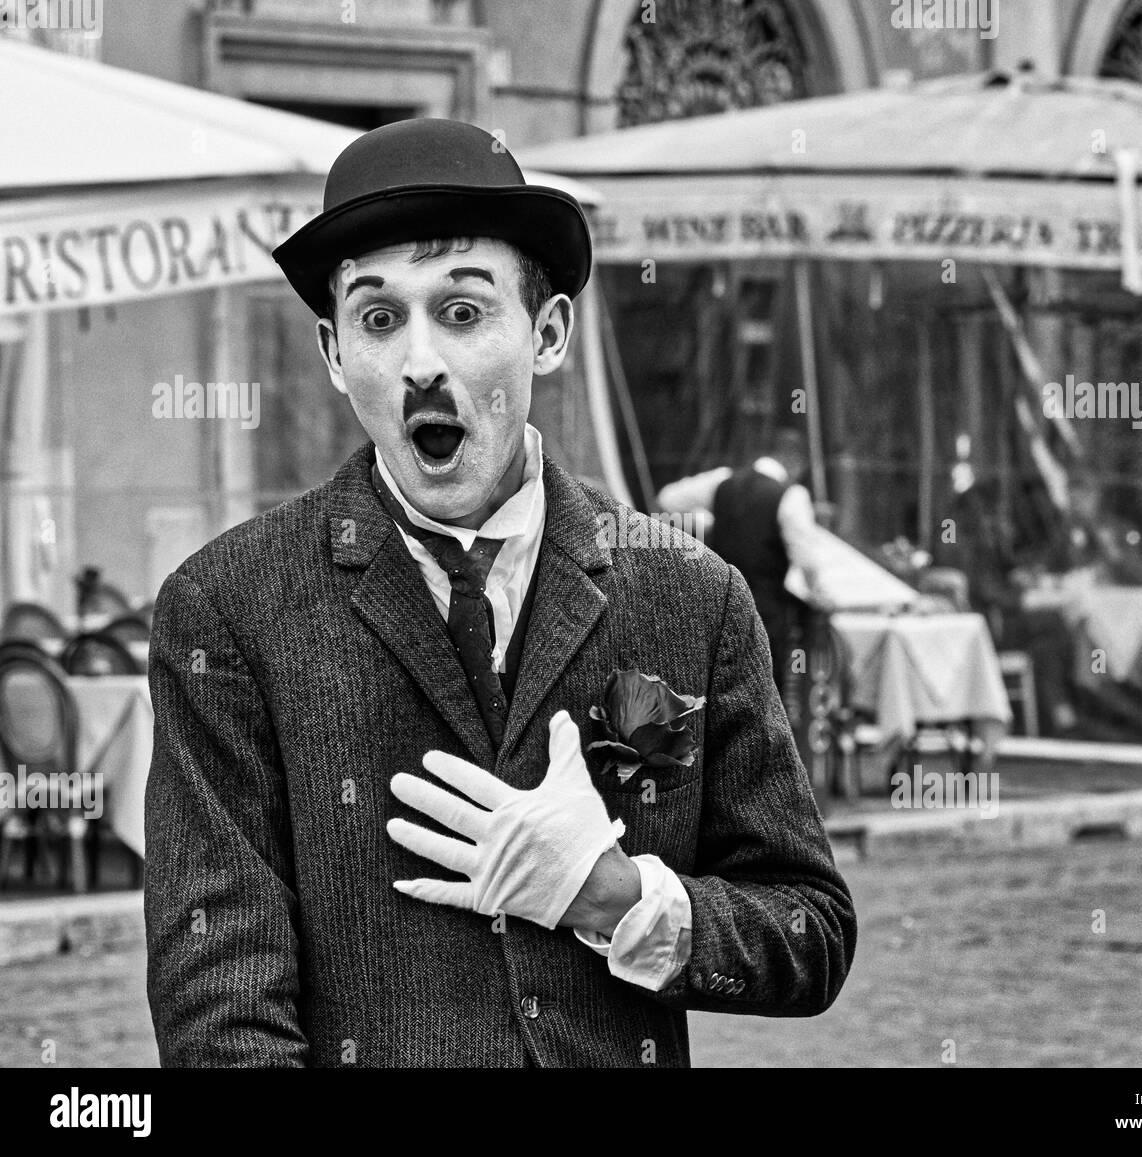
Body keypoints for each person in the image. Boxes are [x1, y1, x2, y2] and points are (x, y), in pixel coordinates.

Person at [143, 119, 855, 1068]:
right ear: (331, 352)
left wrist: (615, 893)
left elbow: (809, 933)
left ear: (548, 332)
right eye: (379, 317)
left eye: (465, 311)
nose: (420, 361)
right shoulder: (227, 609)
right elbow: (220, 1007)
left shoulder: (694, 596)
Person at [656, 427, 826, 677]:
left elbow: (668, 500)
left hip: (718, 608)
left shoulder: (722, 481)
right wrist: (819, 595)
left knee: (717, 684)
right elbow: (806, 561)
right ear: (795, 461)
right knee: (763, 688)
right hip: (765, 615)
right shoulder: (792, 496)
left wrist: (707, 524)